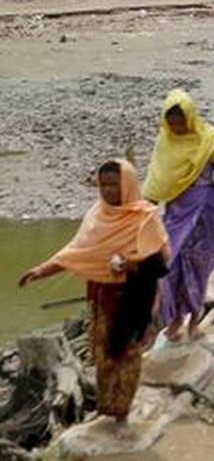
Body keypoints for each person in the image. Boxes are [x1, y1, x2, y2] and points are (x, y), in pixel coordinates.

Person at [18, 160, 169, 436]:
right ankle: (107, 409)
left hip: (133, 298)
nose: (109, 191)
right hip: (101, 298)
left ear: (128, 184)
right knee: (102, 355)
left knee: (127, 356)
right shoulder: (96, 215)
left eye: (115, 184)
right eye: (104, 185)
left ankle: (122, 413)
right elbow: (76, 252)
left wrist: (129, 264)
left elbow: (161, 263)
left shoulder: (144, 217)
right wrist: (41, 270)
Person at [145, 90, 214, 342]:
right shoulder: (165, 143)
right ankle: (173, 319)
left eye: (180, 122)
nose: (177, 128)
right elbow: (156, 179)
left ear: (190, 118)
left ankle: (194, 317)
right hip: (175, 213)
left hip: (204, 212)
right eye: (172, 123)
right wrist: (145, 210)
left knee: (199, 266)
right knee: (169, 267)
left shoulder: (209, 141)